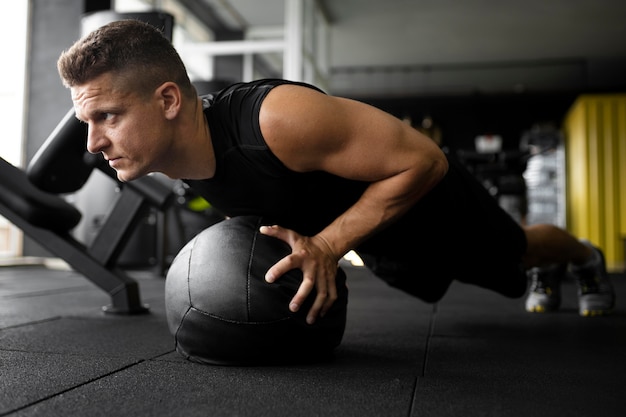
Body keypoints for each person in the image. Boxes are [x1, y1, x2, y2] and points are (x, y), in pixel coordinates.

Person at [56, 19, 614, 324]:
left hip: (429, 199)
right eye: (87, 120)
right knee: (454, 283)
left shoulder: (276, 120)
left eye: (107, 115)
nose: (93, 141)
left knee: (516, 252)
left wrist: (324, 245)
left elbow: (425, 160)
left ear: (169, 100)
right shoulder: (180, 167)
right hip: (379, 234)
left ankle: (584, 259)